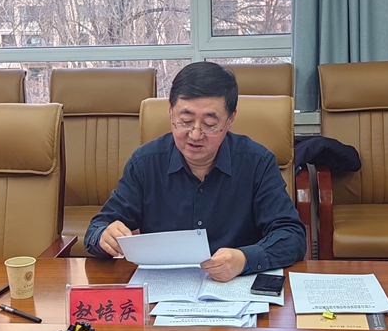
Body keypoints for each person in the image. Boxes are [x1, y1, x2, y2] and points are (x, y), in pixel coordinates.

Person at [84, 62, 306, 282]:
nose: (195, 135)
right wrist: (105, 236)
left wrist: (245, 258)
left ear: (230, 120)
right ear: (171, 112)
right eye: (186, 121)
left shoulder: (257, 163)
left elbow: (291, 235)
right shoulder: (145, 163)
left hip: (236, 287)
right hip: (165, 289)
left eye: (210, 124)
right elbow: (97, 228)